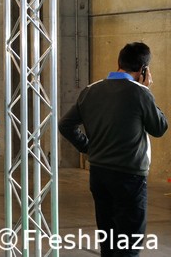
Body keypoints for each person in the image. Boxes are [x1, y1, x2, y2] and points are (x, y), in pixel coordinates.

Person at [59, 42, 168, 256]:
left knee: (108, 240)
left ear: (119, 63)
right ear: (143, 70)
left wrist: (89, 148)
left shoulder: (90, 90)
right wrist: (146, 90)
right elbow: (159, 128)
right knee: (129, 244)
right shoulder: (140, 93)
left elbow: (65, 125)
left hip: (99, 174)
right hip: (130, 177)